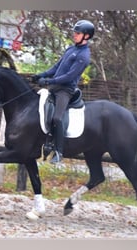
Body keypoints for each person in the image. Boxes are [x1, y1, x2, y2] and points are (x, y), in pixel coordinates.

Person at [32, 19, 95, 164]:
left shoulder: (84, 56)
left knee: (57, 118)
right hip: (54, 87)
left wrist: (48, 81)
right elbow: (56, 67)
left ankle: (59, 152)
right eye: (75, 32)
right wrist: (42, 75)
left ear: (86, 36)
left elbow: (69, 77)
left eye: (77, 33)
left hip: (65, 90)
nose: (74, 35)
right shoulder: (71, 49)